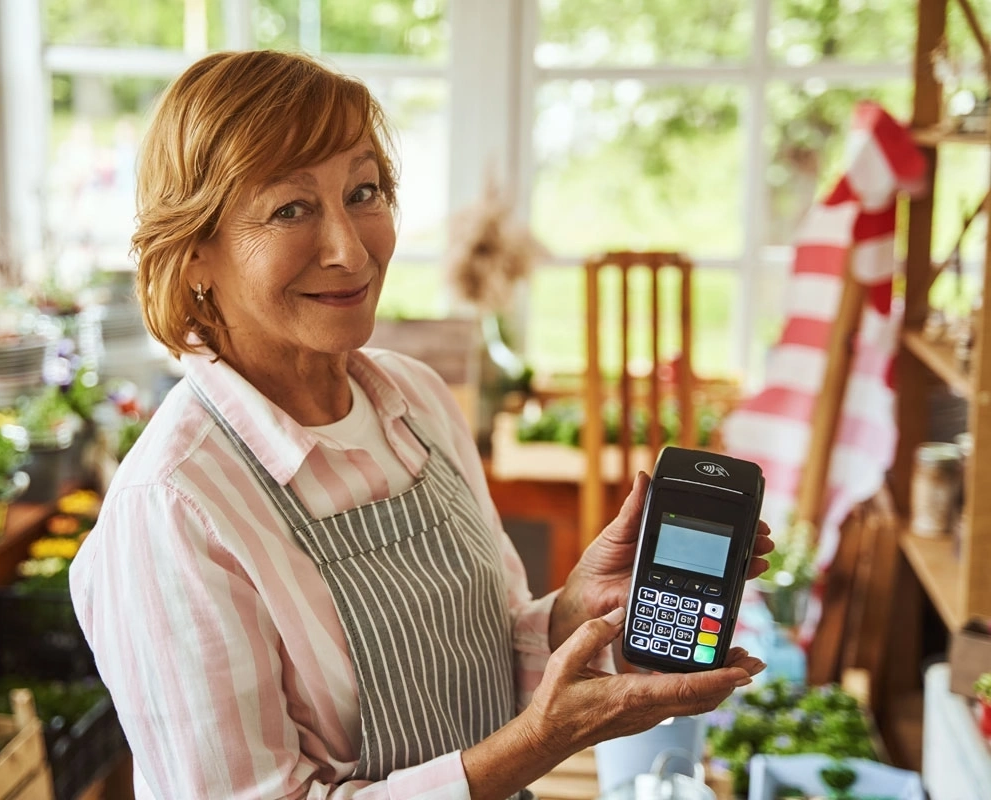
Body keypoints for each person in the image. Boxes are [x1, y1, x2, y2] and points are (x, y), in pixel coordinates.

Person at [69, 50, 771, 800]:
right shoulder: (173, 509)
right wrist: (540, 744)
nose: (350, 248)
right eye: (291, 209)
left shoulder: (418, 400)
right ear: (196, 253)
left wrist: (571, 617)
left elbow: (485, 659)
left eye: (363, 192)